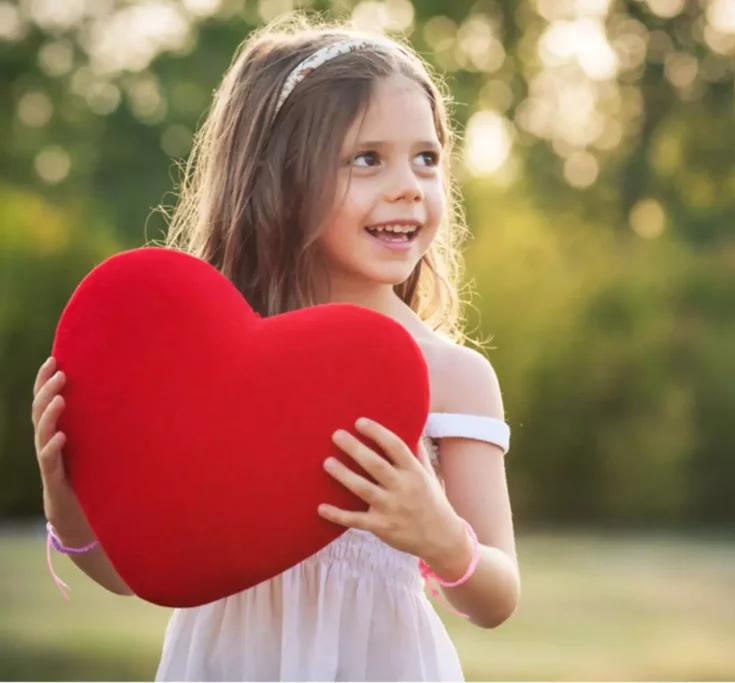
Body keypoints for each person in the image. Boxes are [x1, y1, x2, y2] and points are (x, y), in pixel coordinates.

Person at [30, 13, 520, 681]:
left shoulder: (455, 376)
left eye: (427, 157)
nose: (409, 184)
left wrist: (440, 536)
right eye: (367, 158)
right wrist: (65, 499)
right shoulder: (201, 375)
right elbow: (130, 574)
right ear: (280, 177)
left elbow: (497, 598)